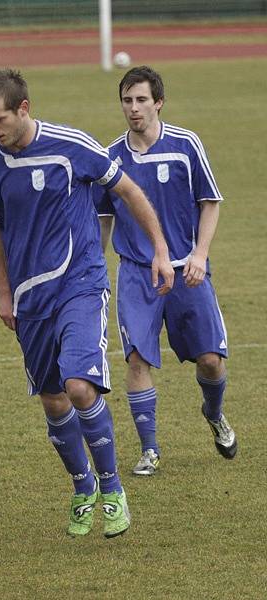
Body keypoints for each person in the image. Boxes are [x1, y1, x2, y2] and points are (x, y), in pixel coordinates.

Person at [0, 69, 174, 538]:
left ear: (23, 109)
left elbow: (127, 191)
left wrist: (160, 250)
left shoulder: (72, 145)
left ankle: (113, 488)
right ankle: (82, 486)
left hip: (81, 283)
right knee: (53, 398)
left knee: (80, 386)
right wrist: (4, 292)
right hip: (29, 297)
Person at [94, 66, 237, 477]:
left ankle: (215, 414)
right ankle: (150, 450)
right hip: (137, 274)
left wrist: (199, 254)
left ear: (158, 102)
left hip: (187, 271)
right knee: (137, 359)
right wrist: (96, 268)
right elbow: (103, 218)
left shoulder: (185, 144)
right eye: (127, 100)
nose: (133, 108)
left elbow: (210, 201)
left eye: (141, 100)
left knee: (210, 361)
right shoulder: (111, 158)